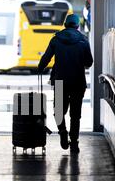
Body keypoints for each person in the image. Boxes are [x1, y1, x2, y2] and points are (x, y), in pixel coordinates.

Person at [37, 13, 93, 153]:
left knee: (58, 110)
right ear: (77, 26)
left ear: (65, 25)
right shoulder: (83, 40)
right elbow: (89, 62)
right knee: (75, 114)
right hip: (77, 82)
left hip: (60, 81)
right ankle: (74, 143)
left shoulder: (56, 39)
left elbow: (46, 58)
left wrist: (40, 67)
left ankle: (62, 132)